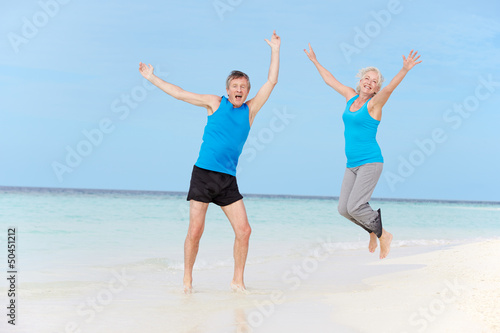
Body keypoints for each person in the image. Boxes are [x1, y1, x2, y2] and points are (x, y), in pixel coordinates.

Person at [139, 30, 280, 293]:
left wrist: (274, 49)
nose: (239, 90)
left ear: (247, 91)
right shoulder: (215, 103)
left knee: (245, 231)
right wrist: (152, 78)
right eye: (235, 86)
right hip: (203, 175)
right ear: (227, 90)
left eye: (243, 87)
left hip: (227, 179)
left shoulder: (251, 110)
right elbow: (180, 93)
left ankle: (237, 281)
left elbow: (271, 82)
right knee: (195, 231)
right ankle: (187, 281)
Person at [304, 44, 421, 259]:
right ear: (360, 82)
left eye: (374, 81)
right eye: (367, 78)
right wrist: (314, 60)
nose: (369, 82)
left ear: (376, 89)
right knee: (344, 209)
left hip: (370, 162)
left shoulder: (375, 104)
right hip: (352, 164)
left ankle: (384, 235)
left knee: (356, 206)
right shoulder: (350, 97)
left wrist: (404, 69)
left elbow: (389, 90)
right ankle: (373, 231)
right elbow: (330, 80)